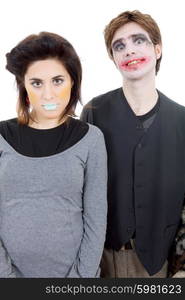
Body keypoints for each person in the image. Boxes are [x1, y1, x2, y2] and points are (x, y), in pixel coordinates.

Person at [81, 10, 185, 278]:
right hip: (100, 260)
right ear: (113, 58)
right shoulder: (94, 112)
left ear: (158, 50)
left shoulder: (181, 121)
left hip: (159, 263)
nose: (129, 50)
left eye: (139, 40)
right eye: (119, 46)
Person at [0, 32, 107, 278]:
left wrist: (80, 278)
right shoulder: (1, 135)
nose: (48, 94)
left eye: (57, 81)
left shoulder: (91, 138)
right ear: (24, 87)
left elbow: (96, 218)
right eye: (37, 83)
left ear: (72, 82)